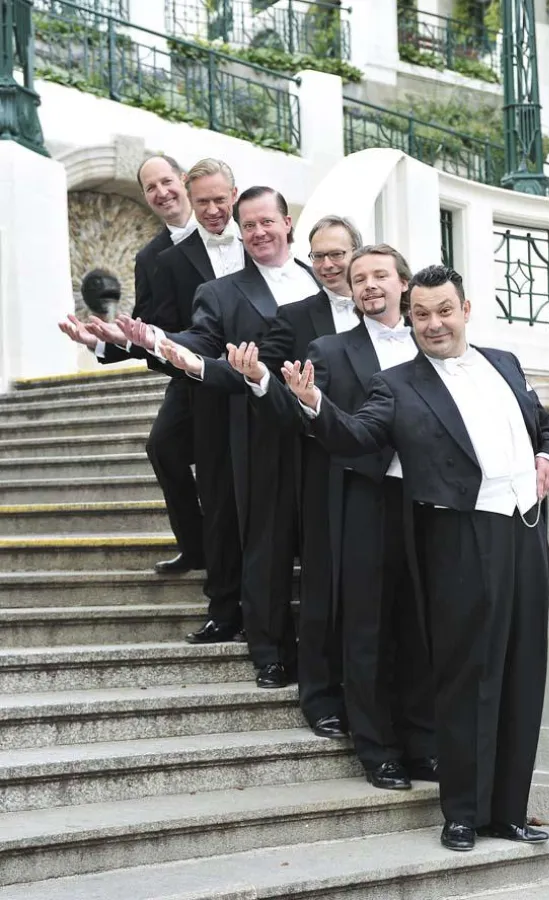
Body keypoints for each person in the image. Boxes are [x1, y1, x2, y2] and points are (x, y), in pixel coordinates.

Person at [281, 264, 549, 850]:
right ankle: (462, 812)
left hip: (526, 533)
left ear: (466, 310)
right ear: (409, 318)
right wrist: (314, 404)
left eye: (444, 311)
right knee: (466, 678)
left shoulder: (505, 362)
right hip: (459, 539)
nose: (434, 324)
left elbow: (548, 424)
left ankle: (509, 811)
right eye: (421, 315)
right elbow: (357, 436)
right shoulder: (398, 383)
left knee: (523, 670)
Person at [229, 245, 436, 788]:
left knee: (420, 626)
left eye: (380, 276)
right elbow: (295, 415)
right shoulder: (329, 348)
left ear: (404, 284)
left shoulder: (431, 342)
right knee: (366, 629)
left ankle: (421, 742)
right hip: (365, 502)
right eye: (358, 277)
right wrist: (259, 382)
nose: (369, 285)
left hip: (431, 504)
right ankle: (378, 750)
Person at [117, 187, 320, 689]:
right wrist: (156, 341)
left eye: (266, 222)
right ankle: (269, 651)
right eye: (248, 226)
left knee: (325, 546)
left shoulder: (324, 280)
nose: (258, 233)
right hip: (260, 434)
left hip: (323, 432)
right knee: (266, 547)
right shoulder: (223, 292)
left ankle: (321, 652)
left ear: (287, 222)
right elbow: (202, 342)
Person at [59, 157, 245, 643]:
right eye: (150, 187)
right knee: (169, 451)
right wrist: (105, 342)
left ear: (183, 183)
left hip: (252, 377)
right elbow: (143, 329)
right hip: (191, 376)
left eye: (167, 182)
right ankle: (200, 550)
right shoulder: (152, 258)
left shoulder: (245, 233)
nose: (161, 192)